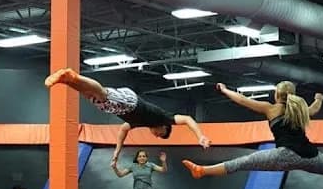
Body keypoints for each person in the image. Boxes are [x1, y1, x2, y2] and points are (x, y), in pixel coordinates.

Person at [182, 82, 323, 184]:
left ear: (276, 95)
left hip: (285, 155)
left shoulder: (271, 108)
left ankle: (202, 170)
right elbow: (315, 108)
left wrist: (225, 90)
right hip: (311, 156)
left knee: (242, 163)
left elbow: (242, 100)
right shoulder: (300, 109)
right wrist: (319, 98)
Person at [44, 67, 211, 165]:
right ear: (164, 127)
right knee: (102, 94)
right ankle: (74, 76)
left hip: (121, 109)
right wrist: (200, 136)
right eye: (161, 134)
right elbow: (187, 119)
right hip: (131, 102)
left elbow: (123, 130)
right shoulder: (164, 118)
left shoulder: (141, 123)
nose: (156, 135)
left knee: (91, 96)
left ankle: (67, 81)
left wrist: (117, 151)